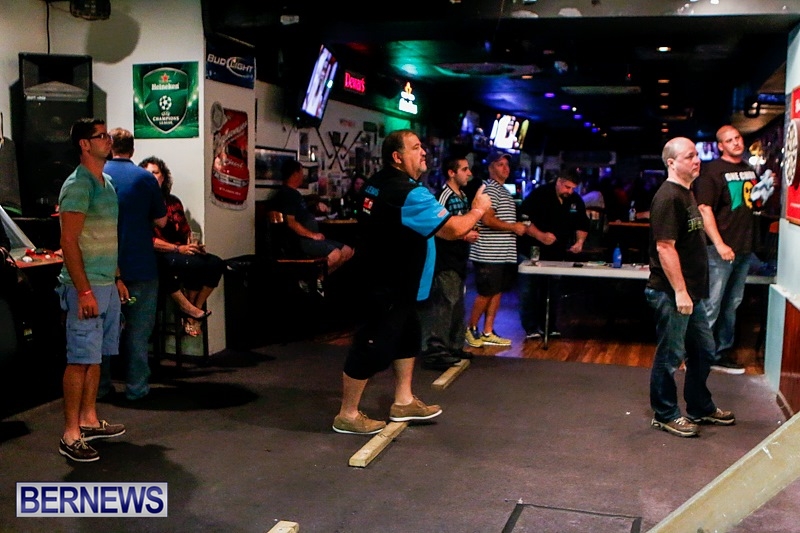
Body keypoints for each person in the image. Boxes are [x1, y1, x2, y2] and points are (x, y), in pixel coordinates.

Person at [332, 129, 490, 435]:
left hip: (397, 282)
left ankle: (403, 401)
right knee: (372, 346)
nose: (424, 152)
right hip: (388, 284)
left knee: (408, 338)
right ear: (397, 157)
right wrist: (478, 209)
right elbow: (453, 229)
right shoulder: (408, 192)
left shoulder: (377, 182)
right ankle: (347, 414)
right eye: (416, 148)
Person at [645, 136, 735, 438]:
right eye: (689, 156)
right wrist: (681, 291)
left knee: (704, 351)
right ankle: (665, 414)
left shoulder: (687, 193)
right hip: (671, 292)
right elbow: (665, 247)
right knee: (670, 356)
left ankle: (699, 406)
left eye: (697, 154)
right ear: (671, 163)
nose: (697, 160)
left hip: (691, 293)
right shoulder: (668, 197)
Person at [56, 118, 126, 461]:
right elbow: (68, 241)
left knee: (95, 356)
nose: (108, 140)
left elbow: (108, 237)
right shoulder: (77, 185)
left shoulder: (107, 183)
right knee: (80, 359)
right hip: (85, 287)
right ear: (84, 144)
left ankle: (89, 419)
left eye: (108, 135)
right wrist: (84, 291)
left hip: (106, 284)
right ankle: (70, 433)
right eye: (101, 136)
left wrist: (116, 278)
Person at [694, 125, 775, 374]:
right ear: (720, 146)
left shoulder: (748, 169)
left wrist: (766, 189)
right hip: (720, 249)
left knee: (732, 304)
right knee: (712, 304)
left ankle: (720, 353)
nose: (736, 143)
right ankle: (698, 356)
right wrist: (719, 244)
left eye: (737, 138)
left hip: (744, 247)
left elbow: (753, 203)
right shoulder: (711, 171)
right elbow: (704, 209)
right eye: (729, 140)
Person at [100, 128, 167, 401]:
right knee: (138, 333)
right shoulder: (145, 178)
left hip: (104, 266)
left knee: (104, 332)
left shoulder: (98, 175)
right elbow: (162, 220)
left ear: (109, 146)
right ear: (133, 149)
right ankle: (137, 388)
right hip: (139, 265)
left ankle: (101, 386)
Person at [142, 156, 223, 337]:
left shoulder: (173, 201)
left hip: (180, 250)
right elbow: (147, 240)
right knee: (170, 265)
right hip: (158, 253)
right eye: (148, 173)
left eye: (155, 173)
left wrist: (193, 246)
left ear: (163, 177)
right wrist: (178, 249)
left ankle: (195, 308)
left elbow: (186, 231)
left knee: (215, 263)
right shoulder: (141, 202)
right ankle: (188, 309)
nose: (152, 177)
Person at [417, 155, 480, 370]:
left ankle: (453, 345)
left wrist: (468, 231)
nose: (469, 173)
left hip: (459, 258)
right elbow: (439, 227)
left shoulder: (462, 196)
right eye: (464, 169)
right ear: (451, 173)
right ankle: (436, 350)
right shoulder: (443, 196)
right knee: (444, 304)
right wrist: (464, 234)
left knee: (457, 305)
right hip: (445, 259)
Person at [517, 169, 589, 340]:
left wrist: (579, 242)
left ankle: (549, 326)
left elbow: (582, 224)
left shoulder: (575, 200)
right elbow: (524, 220)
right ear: (559, 181)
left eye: (573, 188)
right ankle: (531, 327)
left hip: (557, 254)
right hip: (532, 251)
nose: (569, 191)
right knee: (530, 291)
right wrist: (540, 235)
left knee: (552, 291)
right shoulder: (539, 195)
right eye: (567, 187)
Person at [465, 151, 527, 348]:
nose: (505, 168)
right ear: (490, 168)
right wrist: (513, 227)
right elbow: (487, 219)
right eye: (500, 164)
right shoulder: (490, 189)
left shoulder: (503, 190)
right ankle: (471, 329)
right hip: (488, 253)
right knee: (486, 292)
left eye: (507, 165)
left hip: (501, 253)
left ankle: (488, 331)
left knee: (496, 291)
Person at [271, 159, 354, 274]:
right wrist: (312, 235)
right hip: (302, 241)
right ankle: (311, 279)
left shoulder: (295, 194)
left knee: (347, 251)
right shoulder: (287, 194)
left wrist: (316, 207)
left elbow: (302, 211)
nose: (303, 176)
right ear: (295, 174)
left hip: (310, 238)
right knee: (336, 255)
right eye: (301, 172)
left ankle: (319, 278)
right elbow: (291, 222)